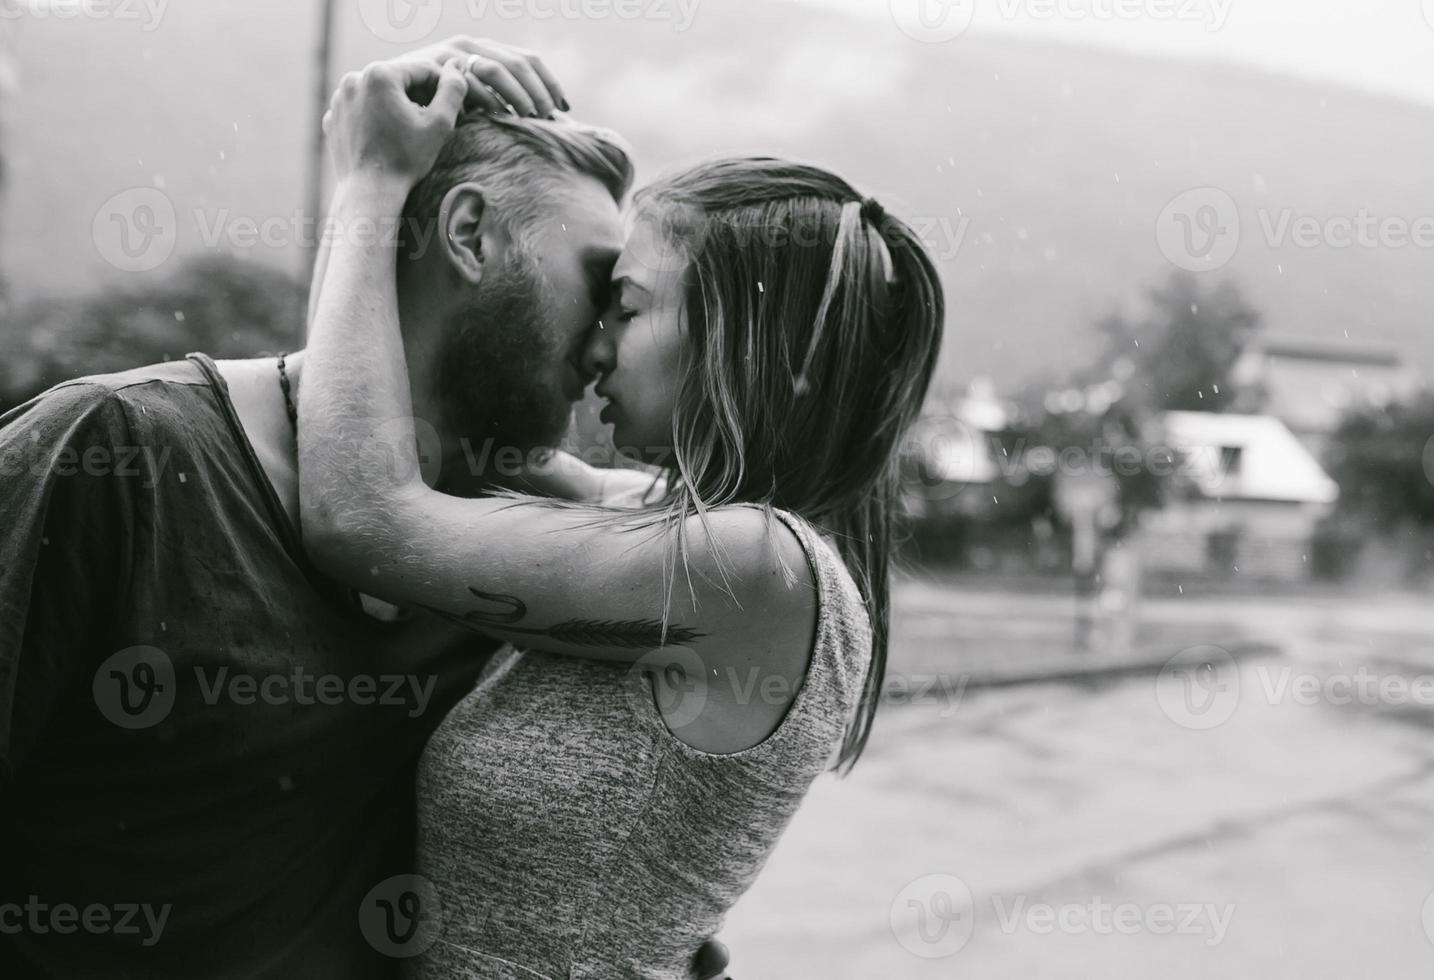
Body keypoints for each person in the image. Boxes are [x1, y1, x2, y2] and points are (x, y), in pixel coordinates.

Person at [0, 38, 726, 980]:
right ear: (468, 235)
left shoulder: (510, 552)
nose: (605, 348)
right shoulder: (113, 453)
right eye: (598, 287)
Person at [299, 57, 945, 979]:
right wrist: (450, 128)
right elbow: (458, 457)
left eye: (628, 306)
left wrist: (370, 182)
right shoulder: (686, 530)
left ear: (733, 339)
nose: (594, 342)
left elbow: (363, 515)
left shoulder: (756, 564)